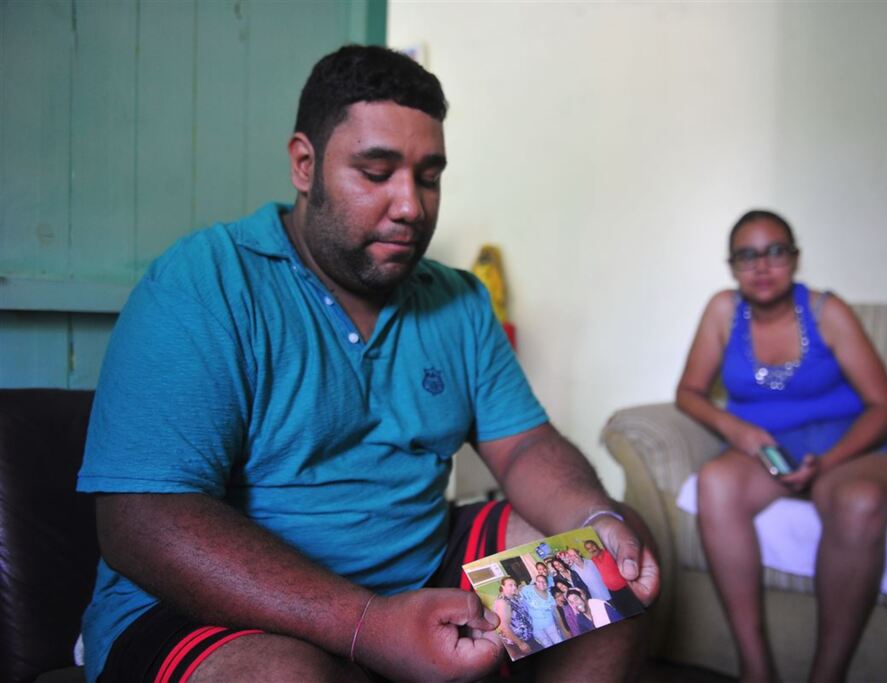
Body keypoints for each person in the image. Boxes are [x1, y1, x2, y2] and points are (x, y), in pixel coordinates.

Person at [75, 44, 659, 683]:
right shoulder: (206, 284)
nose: (411, 206)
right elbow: (141, 521)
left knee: (608, 567)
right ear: (305, 165)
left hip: (418, 578)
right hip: (218, 613)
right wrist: (367, 625)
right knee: (285, 678)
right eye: (377, 172)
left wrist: (591, 516)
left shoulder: (458, 301)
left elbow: (523, 447)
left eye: (428, 177)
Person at [675, 209, 887, 683]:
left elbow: (885, 407)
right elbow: (688, 392)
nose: (762, 266)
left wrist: (829, 462)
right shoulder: (723, 311)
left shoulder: (826, 312)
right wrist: (736, 430)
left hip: (852, 449)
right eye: (747, 256)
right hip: (772, 449)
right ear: (732, 267)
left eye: (775, 251)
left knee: (858, 499)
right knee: (715, 482)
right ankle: (756, 669)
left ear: (795, 258)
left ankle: (826, 676)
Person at [584, 538, 645, 616]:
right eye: (588, 549)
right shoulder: (593, 560)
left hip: (624, 588)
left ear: (596, 545)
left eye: (592, 546)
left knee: (636, 609)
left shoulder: (609, 553)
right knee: (624, 613)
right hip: (612, 591)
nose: (592, 549)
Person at [520, 574, 566, 648]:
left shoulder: (550, 595)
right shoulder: (527, 590)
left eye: (544, 581)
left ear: (546, 583)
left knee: (557, 640)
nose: (541, 583)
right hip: (535, 625)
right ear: (535, 582)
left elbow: (554, 606)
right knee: (546, 644)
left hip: (549, 622)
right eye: (539, 581)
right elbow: (519, 595)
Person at [493, 577, 533, 658]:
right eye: (510, 585)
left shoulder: (513, 597)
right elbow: (504, 626)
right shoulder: (502, 602)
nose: (514, 587)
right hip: (518, 642)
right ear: (503, 587)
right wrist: (520, 644)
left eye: (515, 585)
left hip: (527, 637)